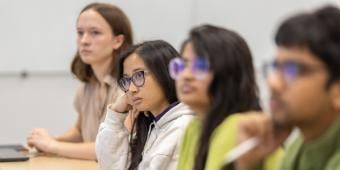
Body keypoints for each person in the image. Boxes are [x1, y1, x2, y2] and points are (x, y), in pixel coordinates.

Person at [231, 5, 340, 170]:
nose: (273, 83)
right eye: (276, 68)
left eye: (293, 70)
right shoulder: (303, 145)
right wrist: (248, 164)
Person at [26, 2, 133, 160]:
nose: (84, 40)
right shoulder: (86, 88)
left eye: (95, 33)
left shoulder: (129, 87)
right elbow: (79, 131)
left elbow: (112, 147)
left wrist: (52, 145)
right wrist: (49, 141)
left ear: (117, 41)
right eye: (80, 32)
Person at [174, 24, 283, 170]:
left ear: (228, 73)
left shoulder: (237, 126)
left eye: (200, 66)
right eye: (183, 65)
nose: (186, 75)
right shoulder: (194, 127)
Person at [95, 40, 194, 170]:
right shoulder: (153, 125)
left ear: (165, 73)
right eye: (126, 80)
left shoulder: (182, 127)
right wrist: (115, 114)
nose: (131, 88)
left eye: (138, 75)